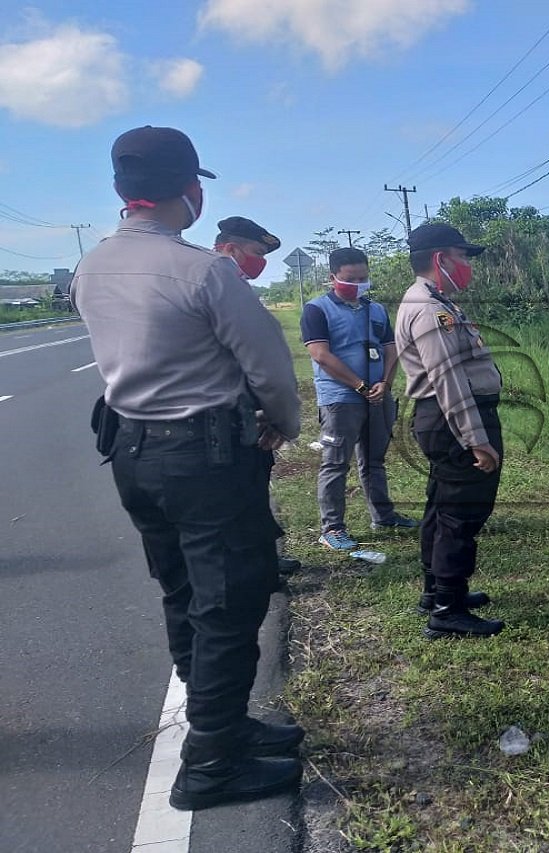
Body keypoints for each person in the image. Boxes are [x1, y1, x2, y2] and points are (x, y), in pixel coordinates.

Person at [71, 126, 303, 810]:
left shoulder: (92, 267)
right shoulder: (203, 271)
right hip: (202, 457)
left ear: (122, 191)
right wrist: (282, 426)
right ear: (189, 190)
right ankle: (210, 765)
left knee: (182, 592)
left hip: (132, 452)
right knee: (229, 601)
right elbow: (268, 368)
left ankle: (222, 725)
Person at [395, 222, 503, 639]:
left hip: (443, 419)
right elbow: (448, 381)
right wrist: (476, 439)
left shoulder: (435, 301)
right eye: (462, 256)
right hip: (452, 417)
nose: (466, 266)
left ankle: (437, 590)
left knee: (442, 507)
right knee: (461, 513)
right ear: (441, 258)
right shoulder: (430, 309)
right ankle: (447, 608)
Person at [303, 247, 416, 551]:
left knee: (374, 460)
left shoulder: (375, 309)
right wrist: (360, 385)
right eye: (351, 279)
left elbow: (391, 347)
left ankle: (383, 515)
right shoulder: (317, 310)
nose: (358, 284)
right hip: (340, 398)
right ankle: (333, 528)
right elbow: (320, 355)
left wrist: (385, 383)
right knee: (336, 463)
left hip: (378, 396)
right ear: (333, 277)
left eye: (363, 278)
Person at [212, 216, 300, 575]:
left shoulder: (239, 289)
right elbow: (263, 366)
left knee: (253, 495)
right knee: (235, 501)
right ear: (229, 249)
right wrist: (283, 420)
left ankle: (264, 560)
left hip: (248, 416)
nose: (260, 260)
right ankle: (252, 568)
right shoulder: (217, 289)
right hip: (224, 419)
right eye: (256, 252)